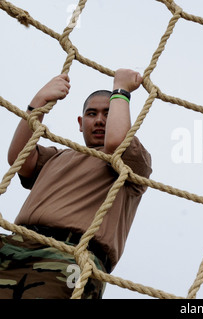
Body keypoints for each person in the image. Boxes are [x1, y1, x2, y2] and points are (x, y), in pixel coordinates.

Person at [0, 68, 152, 299]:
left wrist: (121, 90)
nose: (100, 120)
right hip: (18, 244)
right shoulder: (57, 157)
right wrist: (38, 103)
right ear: (81, 123)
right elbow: (19, 158)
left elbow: (115, 142)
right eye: (92, 114)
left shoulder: (132, 160)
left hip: (70, 256)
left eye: (108, 113)